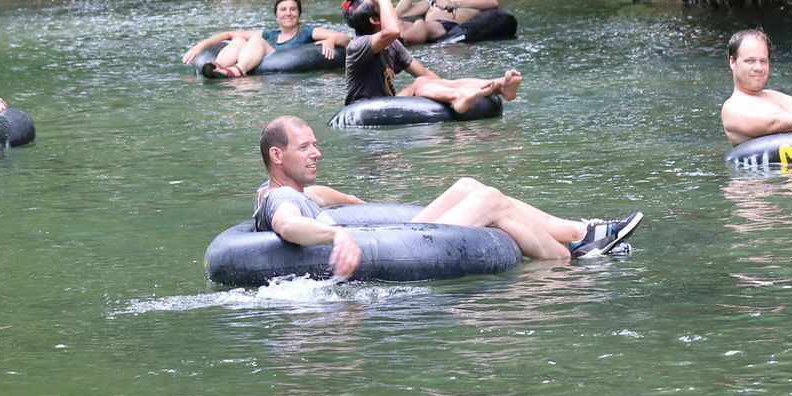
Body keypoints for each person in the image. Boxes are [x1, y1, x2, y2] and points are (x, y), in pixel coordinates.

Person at [254, 114, 643, 278]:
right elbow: (288, 224)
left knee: (467, 185)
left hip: (394, 235)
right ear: (277, 155)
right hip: (402, 249)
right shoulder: (279, 202)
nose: (316, 153)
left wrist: (360, 208)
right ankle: (575, 253)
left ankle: (587, 232)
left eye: (314, 145)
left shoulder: (289, 190)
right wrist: (339, 234)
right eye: (305, 147)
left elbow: (321, 196)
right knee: (490, 201)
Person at [343, 0, 521, 114]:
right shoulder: (358, 45)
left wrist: (445, 88)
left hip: (388, 102)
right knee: (420, 84)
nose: (387, 6)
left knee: (424, 80)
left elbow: (425, 74)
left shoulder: (393, 46)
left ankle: (498, 86)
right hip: (365, 109)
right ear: (375, 20)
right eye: (382, 5)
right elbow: (393, 30)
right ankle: (457, 97)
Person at [180, 0, 351, 77]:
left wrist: (331, 39)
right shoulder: (271, 34)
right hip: (263, 68)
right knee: (239, 39)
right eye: (283, 10)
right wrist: (200, 46)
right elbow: (229, 34)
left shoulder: (306, 32)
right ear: (276, 16)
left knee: (255, 40)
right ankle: (216, 68)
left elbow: (345, 38)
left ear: (299, 14)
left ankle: (237, 71)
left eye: (293, 9)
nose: (288, 13)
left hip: (285, 79)